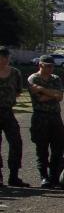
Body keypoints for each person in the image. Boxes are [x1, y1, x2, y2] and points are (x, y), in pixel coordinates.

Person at [27, 55, 64, 188]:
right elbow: (39, 99)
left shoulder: (55, 78)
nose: (51, 68)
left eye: (52, 66)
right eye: (48, 66)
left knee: (58, 147)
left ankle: (54, 176)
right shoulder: (33, 78)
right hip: (40, 116)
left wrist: (42, 89)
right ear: (40, 65)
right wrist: (52, 94)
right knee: (42, 148)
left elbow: (60, 96)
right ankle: (44, 177)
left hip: (55, 116)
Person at [0, 47, 27, 186]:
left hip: (7, 111)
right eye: (2, 57)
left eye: (6, 57)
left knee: (16, 142)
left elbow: (18, 91)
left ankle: (14, 176)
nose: (4, 60)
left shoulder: (15, 73)